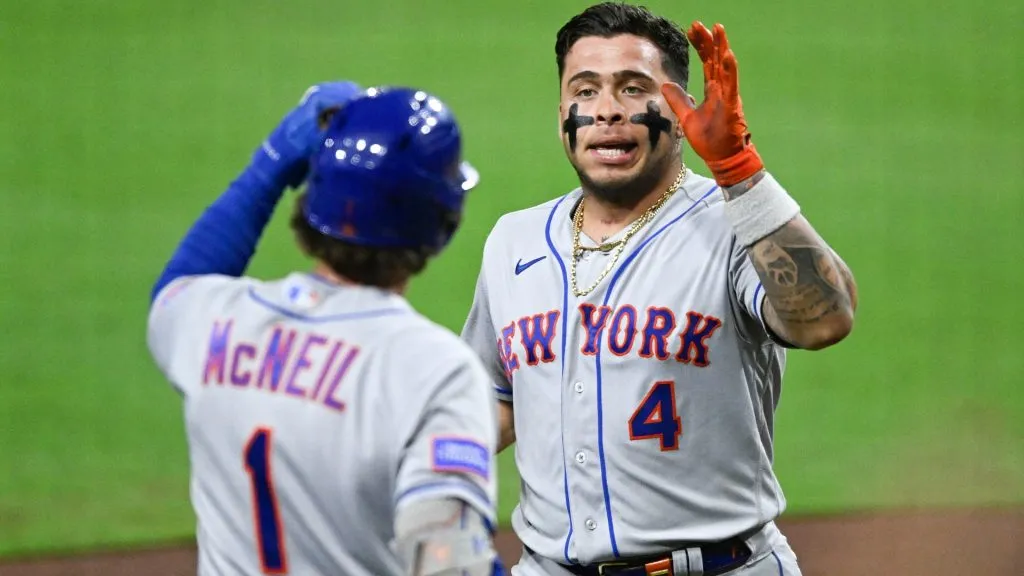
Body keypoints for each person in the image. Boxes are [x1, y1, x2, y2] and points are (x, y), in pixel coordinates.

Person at [461, 3, 859, 575]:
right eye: (586, 89)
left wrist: (739, 169)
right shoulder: (513, 241)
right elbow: (495, 400)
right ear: (561, 111)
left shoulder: (735, 224)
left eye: (633, 88)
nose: (606, 111)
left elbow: (826, 319)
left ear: (679, 110)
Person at [147, 82, 505, 576]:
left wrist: (270, 163)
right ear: (441, 226)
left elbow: (174, 290)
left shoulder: (217, 319)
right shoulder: (431, 369)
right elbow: (447, 561)